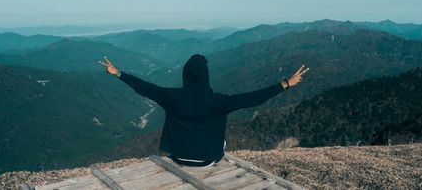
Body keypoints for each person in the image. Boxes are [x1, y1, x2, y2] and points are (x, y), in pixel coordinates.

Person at [99, 54, 309, 167]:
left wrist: (118, 73)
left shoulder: (171, 97)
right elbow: (252, 99)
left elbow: (145, 88)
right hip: (207, 160)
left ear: (186, 75)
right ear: (206, 75)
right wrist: (285, 84)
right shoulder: (217, 101)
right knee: (222, 141)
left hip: (178, 157)